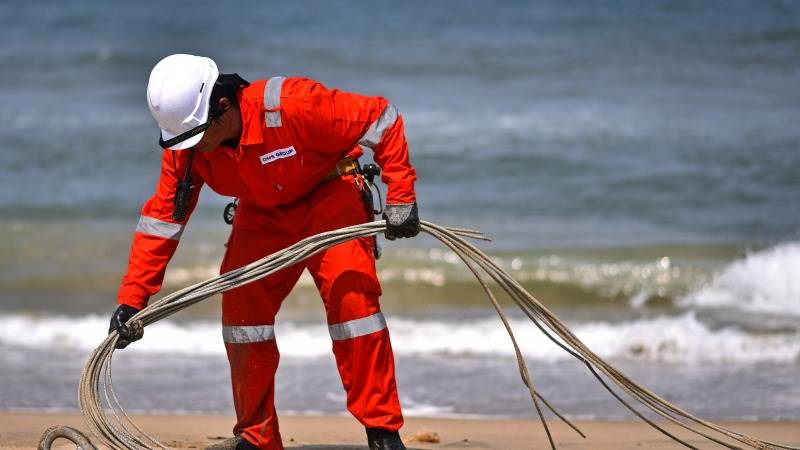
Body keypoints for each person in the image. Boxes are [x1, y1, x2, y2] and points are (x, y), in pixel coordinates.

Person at [108, 54, 419, 450]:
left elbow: (382, 117)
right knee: (241, 314)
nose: (190, 148)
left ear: (222, 107)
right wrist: (132, 300)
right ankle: (257, 437)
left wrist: (402, 196)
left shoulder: (294, 104)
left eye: (195, 137)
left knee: (353, 307)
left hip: (330, 194)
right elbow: (163, 221)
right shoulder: (186, 147)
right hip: (261, 213)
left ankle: (382, 431)